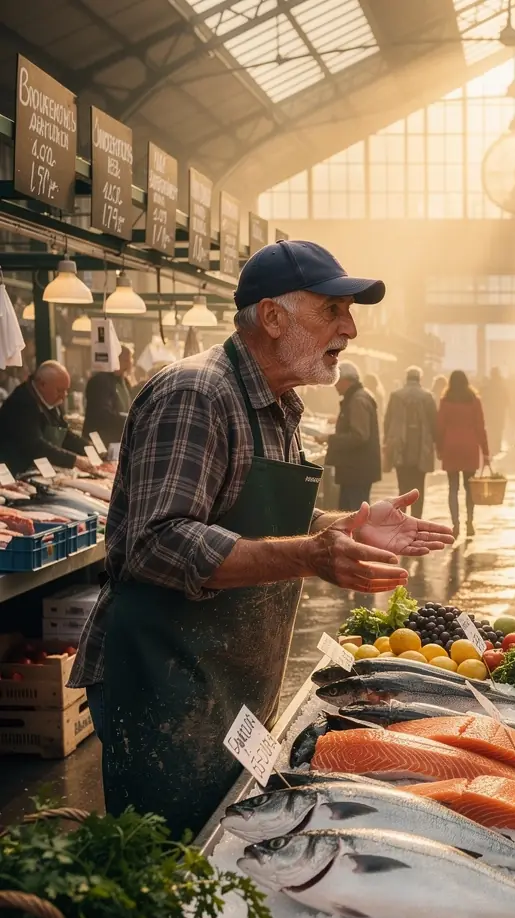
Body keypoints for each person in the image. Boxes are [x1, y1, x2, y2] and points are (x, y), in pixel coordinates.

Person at [67, 240, 454, 838]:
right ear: (273, 318)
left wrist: (339, 527)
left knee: (228, 838)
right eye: (334, 310)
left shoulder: (278, 405)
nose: (349, 329)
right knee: (175, 863)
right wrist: (310, 555)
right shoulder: (197, 393)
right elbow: (155, 542)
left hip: (227, 677)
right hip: (164, 679)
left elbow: (252, 521)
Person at [0, 360, 93, 474]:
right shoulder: (22, 402)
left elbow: (64, 434)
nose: (63, 396)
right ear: (42, 384)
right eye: (59, 390)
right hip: (14, 473)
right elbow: (35, 445)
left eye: (66, 390)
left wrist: (89, 447)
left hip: (37, 470)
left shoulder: (50, 400)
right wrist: (74, 460)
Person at [436, 369, 490, 539]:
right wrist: (486, 452)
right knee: (469, 488)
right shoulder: (474, 401)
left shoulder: (445, 401)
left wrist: (439, 448)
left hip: (451, 446)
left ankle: (455, 524)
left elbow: (439, 426)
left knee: (453, 488)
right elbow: (481, 427)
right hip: (469, 446)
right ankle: (470, 522)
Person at [326, 361, 381, 510]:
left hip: (356, 469)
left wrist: (330, 439)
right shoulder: (359, 397)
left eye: (337, 381)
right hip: (356, 469)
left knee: (355, 512)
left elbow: (359, 435)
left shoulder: (357, 399)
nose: (335, 386)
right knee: (352, 511)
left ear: (346, 380)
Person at [383, 367, 437, 519]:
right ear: (419, 379)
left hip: (400, 447)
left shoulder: (396, 396)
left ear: (406, 378)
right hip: (422, 448)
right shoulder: (427, 397)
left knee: (403, 486)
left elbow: (387, 421)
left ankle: (403, 519)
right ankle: (417, 518)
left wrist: (386, 441)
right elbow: (434, 423)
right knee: (419, 486)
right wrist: (436, 444)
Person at [83, 344, 135, 447]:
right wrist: (128, 419)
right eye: (125, 360)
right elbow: (101, 414)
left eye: (130, 360)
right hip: (99, 441)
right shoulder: (100, 381)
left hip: (118, 440)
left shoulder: (125, 382)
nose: (129, 364)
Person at [481, 367, 509, 454]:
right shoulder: (502, 386)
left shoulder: (487, 386)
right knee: (498, 429)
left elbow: (483, 399)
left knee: (490, 430)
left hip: (489, 412)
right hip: (499, 412)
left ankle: (491, 446)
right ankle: (497, 446)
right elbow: (506, 400)